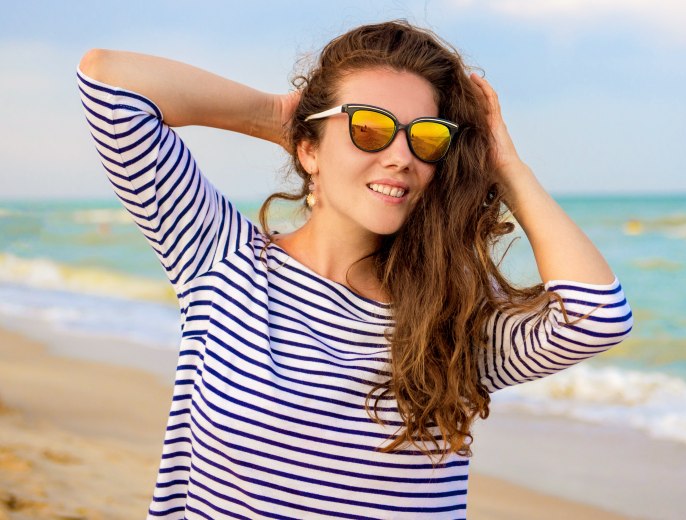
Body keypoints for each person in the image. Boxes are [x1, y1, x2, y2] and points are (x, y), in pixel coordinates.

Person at [77, 20, 632, 520]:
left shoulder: (454, 313)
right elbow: (108, 81)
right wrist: (275, 116)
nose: (401, 155)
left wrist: (506, 168)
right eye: (369, 127)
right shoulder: (220, 257)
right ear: (309, 149)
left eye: (426, 137)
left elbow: (598, 316)